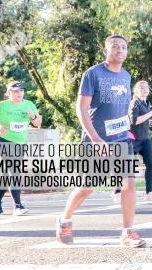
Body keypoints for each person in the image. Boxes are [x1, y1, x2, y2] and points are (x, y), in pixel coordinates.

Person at [56, 35, 145, 247]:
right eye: (115, 47)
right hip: (96, 141)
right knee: (88, 187)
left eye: (124, 47)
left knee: (128, 184)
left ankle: (127, 232)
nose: (121, 50)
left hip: (121, 140)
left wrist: (127, 129)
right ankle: (64, 219)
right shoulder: (93, 74)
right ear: (106, 50)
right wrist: (96, 139)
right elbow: (81, 109)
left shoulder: (126, 75)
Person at [0, 82, 42, 215]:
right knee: (14, 171)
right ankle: (18, 206)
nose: (19, 93)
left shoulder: (29, 104)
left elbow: (38, 123)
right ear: (8, 93)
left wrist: (32, 116)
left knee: (7, 175)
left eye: (21, 90)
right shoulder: (2, 105)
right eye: (15, 91)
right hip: (3, 141)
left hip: (20, 143)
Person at [113, 80, 152, 202]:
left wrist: (150, 121)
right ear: (137, 91)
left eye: (147, 87)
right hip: (133, 140)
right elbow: (134, 121)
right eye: (142, 88)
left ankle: (149, 192)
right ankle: (117, 192)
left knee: (150, 163)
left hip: (145, 139)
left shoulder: (146, 103)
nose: (145, 89)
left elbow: (142, 120)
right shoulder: (135, 103)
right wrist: (151, 114)